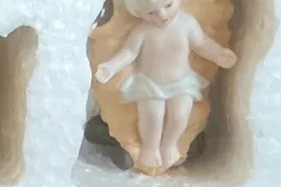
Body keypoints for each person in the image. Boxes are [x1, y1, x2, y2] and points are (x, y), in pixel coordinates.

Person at [94, 0, 237, 171]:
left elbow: (201, 44)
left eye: (168, 5)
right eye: (151, 13)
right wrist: (111, 67)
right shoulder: (142, 31)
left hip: (181, 83)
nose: (162, 15)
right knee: (152, 116)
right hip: (150, 85)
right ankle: (150, 147)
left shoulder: (187, 24)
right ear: (139, 13)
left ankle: (169, 145)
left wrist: (219, 54)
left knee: (180, 115)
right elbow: (129, 52)